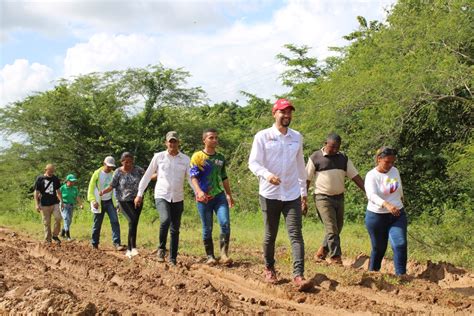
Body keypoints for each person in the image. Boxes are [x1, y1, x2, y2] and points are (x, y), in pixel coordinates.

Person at [248, 98, 310, 290]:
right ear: (274, 113)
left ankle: (298, 275)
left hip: (292, 194)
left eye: (289, 112)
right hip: (269, 193)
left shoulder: (297, 137)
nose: (287, 115)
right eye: (283, 112)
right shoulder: (262, 136)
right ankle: (269, 268)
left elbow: (300, 166)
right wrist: (266, 175)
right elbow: (253, 163)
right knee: (270, 234)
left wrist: (304, 193)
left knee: (296, 234)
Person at [306, 133, 365, 264]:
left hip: (339, 197)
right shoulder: (315, 157)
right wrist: (303, 199)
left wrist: (368, 191)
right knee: (332, 228)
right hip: (322, 198)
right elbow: (306, 179)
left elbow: (355, 176)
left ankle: (322, 251)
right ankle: (335, 257)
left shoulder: (343, 158)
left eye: (337, 147)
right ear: (325, 143)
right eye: (332, 147)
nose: (334, 150)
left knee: (337, 228)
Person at [135, 131, 191, 265]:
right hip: (162, 195)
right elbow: (148, 175)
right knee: (165, 220)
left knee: (175, 228)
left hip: (177, 196)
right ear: (166, 143)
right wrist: (139, 194)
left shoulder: (185, 159)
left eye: (175, 141)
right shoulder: (159, 157)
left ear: (178, 143)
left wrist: (198, 193)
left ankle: (173, 258)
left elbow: (190, 178)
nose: (172, 144)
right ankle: (161, 248)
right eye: (170, 141)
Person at [190, 128, 234, 265]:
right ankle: (210, 256)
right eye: (211, 138)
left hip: (219, 196)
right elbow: (193, 177)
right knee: (207, 227)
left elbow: (224, 177)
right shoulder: (197, 157)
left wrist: (229, 195)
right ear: (204, 140)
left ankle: (224, 255)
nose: (214, 140)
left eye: (216, 137)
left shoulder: (220, 158)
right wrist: (199, 191)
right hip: (204, 198)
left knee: (225, 222)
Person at [364, 147, 407, 275]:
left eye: (392, 162)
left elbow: (398, 189)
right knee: (379, 248)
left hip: (397, 214)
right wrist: (386, 204)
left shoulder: (395, 171)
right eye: (387, 162)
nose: (390, 165)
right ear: (379, 159)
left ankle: (402, 276)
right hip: (376, 217)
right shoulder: (371, 175)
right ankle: (373, 273)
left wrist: (400, 201)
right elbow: (371, 195)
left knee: (400, 244)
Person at [102, 152, 144, 258]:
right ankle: (132, 248)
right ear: (122, 162)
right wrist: (103, 191)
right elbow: (112, 185)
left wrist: (159, 174)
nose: (128, 164)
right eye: (126, 162)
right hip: (123, 201)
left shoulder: (138, 170)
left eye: (130, 162)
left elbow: (148, 177)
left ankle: (130, 249)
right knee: (132, 220)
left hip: (137, 200)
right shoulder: (118, 172)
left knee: (134, 223)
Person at [87, 156, 124, 250]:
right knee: (97, 224)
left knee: (115, 221)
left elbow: (116, 189)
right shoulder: (97, 173)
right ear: (104, 164)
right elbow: (91, 189)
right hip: (98, 202)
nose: (110, 168)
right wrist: (93, 200)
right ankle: (94, 243)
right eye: (108, 166)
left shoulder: (114, 174)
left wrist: (118, 203)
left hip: (110, 202)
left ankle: (117, 243)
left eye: (112, 166)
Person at [34, 164, 63, 245]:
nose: (51, 172)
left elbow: (58, 191)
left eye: (53, 170)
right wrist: (36, 204)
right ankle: (48, 239)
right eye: (50, 170)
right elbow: (36, 192)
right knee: (46, 222)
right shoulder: (40, 179)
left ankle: (55, 235)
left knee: (58, 218)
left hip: (54, 203)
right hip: (44, 204)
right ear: (45, 169)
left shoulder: (55, 178)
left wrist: (62, 202)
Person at [60, 173, 83, 241]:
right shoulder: (62, 188)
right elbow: (58, 195)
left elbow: (77, 197)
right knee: (66, 219)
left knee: (69, 221)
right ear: (67, 180)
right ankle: (68, 237)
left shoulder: (74, 189)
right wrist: (60, 202)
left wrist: (80, 204)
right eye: (71, 181)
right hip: (63, 205)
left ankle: (62, 233)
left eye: (74, 181)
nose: (73, 182)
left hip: (71, 206)